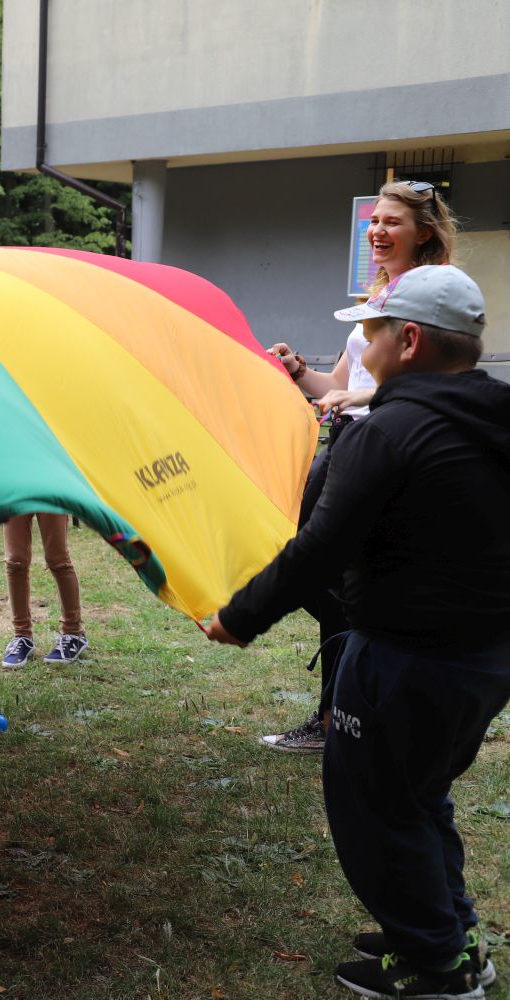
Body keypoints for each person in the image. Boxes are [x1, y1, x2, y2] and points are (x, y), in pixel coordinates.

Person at [206, 265, 507, 999]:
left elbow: (316, 551)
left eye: (370, 328)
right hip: (484, 661)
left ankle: (434, 968)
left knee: (376, 809)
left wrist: (237, 619)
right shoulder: (497, 415)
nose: (359, 340)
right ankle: (450, 932)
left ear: (407, 340)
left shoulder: (391, 432)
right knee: (421, 793)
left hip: (404, 659)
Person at [258, 179, 459, 752]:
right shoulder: (375, 300)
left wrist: (367, 400)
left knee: (327, 573)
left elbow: (436, 383)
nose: (377, 229)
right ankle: (348, 707)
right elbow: (339, 387)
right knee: (312, 569)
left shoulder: (436, 295)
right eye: (375, 220)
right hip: (344, 445)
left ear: (424, 232)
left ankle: (344, 716)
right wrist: (297, 369)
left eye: (392, 221)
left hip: (388, 453)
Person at [0, 513, 88, 667]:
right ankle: (22, 636)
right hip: (13, 490)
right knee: (15, 561)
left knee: (58, 559)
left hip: (51, 490)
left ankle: (74, 633)